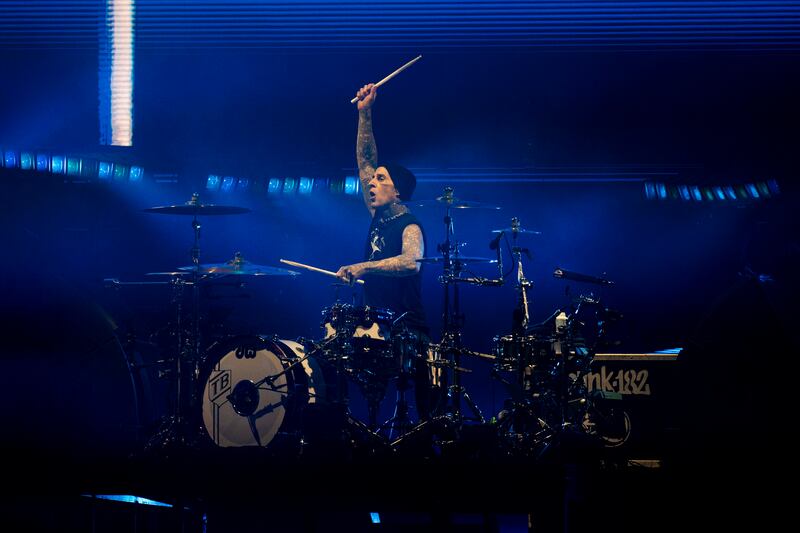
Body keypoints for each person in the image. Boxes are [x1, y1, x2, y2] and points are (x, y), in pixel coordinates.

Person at [336, 83, 442, 422]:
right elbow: (366, 160)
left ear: (396, 192)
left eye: (380, 180)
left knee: (423, 404)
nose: (370, 182)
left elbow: (411, 262)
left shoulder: (410, 225)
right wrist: (365, 112)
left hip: (407, 327)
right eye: (372, 180)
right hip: (376, 321)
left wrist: (365, 267)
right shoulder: (377, 214)